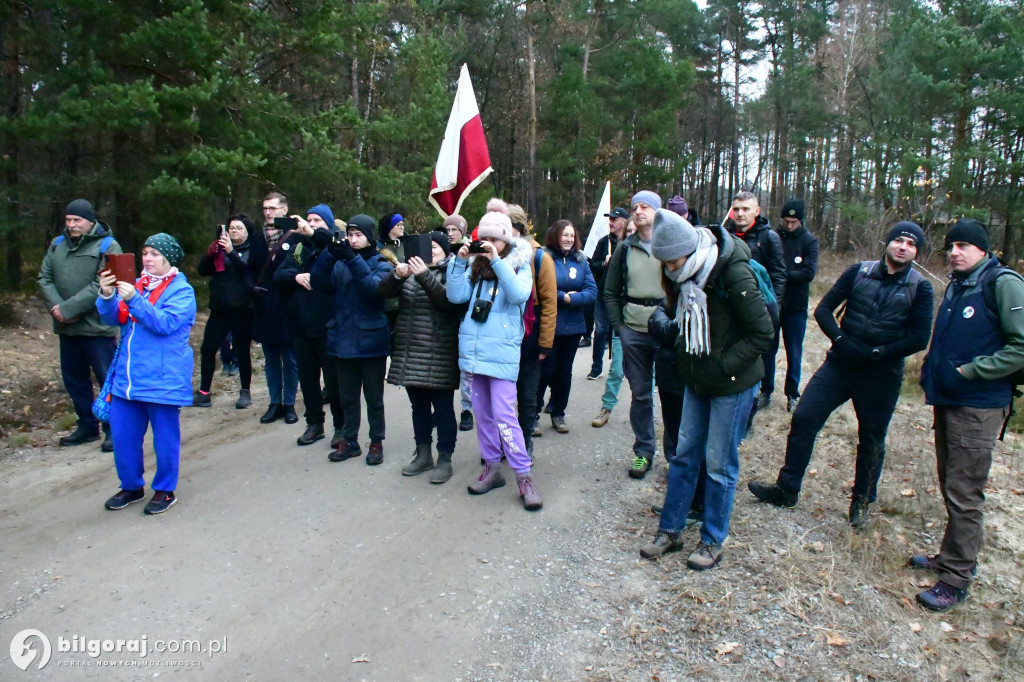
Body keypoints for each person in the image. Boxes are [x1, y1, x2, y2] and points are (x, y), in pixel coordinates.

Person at [748, 222, 935, 529]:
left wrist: (879, 353)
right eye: (898, 240)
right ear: (887, 243)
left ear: (916, 253)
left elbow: (919, 338)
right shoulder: (859, 272)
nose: (903, 247)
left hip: (881, 374)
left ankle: (861, 503)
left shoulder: (920, 287)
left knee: (872, 439)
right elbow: (823, 310)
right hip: (840, 364)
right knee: (805, 417)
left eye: (911, 245)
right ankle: (786, 489)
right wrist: (841, 340)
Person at [639, 210, 773, 568]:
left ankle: (712, 540)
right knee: (684, 456)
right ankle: (670, 530)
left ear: (689, 249)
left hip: (732, 383)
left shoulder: (732, 271)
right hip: (697, 380)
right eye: (663, 263)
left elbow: (762, 332)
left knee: (718, 464)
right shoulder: (681, 275)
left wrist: (723, 368)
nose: (668, 269)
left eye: (673, 261)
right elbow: (678, 319)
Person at [913, 220, 1024, 611]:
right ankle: (950, 557)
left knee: (965, 494)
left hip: (978, 405)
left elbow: (1021, 347)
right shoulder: (962, 283)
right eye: (951, 246)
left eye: (963, 245)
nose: (955, 252)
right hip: (952, 399)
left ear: (982, 249)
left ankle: (956, 579)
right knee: (952, 483)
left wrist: (968, 371)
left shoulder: (1003, 283)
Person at [447, 205, 543, 510]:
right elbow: (456, 296)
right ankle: (491, 468)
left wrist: (498, 261)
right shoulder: (475, 267)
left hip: (501, 356)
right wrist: (459, 263)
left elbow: (518, 295)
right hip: (474, 355)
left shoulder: (519, 264)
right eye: (483, 239)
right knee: (483, 415)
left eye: (494, 239)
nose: (487, 244)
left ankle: (524, 477)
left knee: (505, 416)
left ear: (505, 240)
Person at [96, 234, 196, 515]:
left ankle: (165, 490)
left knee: (165, 439)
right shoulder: (137, 284)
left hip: (162, 378)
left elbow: (164, 324)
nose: (147, 258)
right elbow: (113, 318)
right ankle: (131, 486)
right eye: (144, 253)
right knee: (124, 437)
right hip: (127, 379)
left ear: (169, 259)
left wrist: (135, 299)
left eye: (154, 254)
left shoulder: (181, 290)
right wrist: (106, 295)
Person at [38, 199, 122, 452]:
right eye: (68, 220)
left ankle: (114, 428)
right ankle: (87, 426)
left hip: (98, 327)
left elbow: (104, 284)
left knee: (107, 378)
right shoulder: (57, 245)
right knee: (74, 379)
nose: (72, 225)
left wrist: (68, 309)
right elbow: (45, 278)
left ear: (90, 221)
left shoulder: (108, 245)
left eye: (77, 220)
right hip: (68, 328)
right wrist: (58, 309)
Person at [379, 231, 461, 483]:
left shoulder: (453, 271)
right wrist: (397, 276)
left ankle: (445, 458)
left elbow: (447, 302)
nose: (430, 252)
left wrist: (423, 274)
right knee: (419, 408)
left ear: (446, 251)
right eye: (427, 247)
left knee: (444, 409)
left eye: (435, 247)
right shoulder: (411, 272)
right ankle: (423, 454)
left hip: (440, 352)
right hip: (410, 351)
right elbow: (383, 292)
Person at [311, 214, 393, 465]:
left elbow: (374, 290)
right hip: (342, 338)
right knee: (347, 396)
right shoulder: (339, 262)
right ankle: (350, 440)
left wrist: (352, 258)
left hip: (371, 341)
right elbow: (317, 282)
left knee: (374, 398)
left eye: (359, 235)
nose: (353, 240)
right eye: (350, 235)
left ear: (369, 237)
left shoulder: (382, 263)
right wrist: (329, 253)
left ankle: (376, 441)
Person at [604, 191, 665, 479]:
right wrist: (621, 329)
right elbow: (610, 291)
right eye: (635, 207)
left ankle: (677, 455)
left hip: (667, 332)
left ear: (657, 211)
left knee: (672, 394)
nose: (639, 211)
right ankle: (643, 452)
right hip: (634, 332)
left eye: (645, 207)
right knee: (640, 396)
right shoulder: (625, 248)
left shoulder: (671, 243)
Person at [273, 204, 345, 448]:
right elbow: (278, 276)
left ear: (328, 225)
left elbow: (334, 252)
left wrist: (313, 233)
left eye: (318, 221)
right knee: (308, 380)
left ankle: (341, 426)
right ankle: (315, 423)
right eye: (310, 219)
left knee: (334, 382)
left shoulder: (335, 245)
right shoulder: (297, 247)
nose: (312, 224)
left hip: (328, 325)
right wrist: (296, 277)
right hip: (301, 326)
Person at [723, 191, 787, 412]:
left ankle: (764, 392)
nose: (740, 214)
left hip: (760, 308)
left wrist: (773, 310)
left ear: (756, 211)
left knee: (764, 353)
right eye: (736, 209)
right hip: (731, 309)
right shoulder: (725, 235)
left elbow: (778, 275)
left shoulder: (769, 238)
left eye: (745, 209)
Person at [535, 220, 597, 433]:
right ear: (555, 236)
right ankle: (532, 413)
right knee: (545, 371)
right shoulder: (544, 259)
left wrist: (574, 299)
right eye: (565, 235)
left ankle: (558, 414)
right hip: (550, 324)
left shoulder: (581, 261)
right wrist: (562, 298)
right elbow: (540, 289)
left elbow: (591, 291)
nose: (569, 239)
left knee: (564, 372)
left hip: (573, 327)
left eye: (572, 235)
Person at [194, 214, 257, 410]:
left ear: (247, 231)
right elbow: (202, 270)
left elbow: (247, 271)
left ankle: (245, 392)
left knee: (242, 351)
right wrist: (211, 254)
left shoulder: (252, 251)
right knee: (208, 349)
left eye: (239, 228)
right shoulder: (218, 250)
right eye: (231, 228)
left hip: (243, 309)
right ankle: (204, 393)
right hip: (220, 309)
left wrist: (231, 252)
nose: (234, 231)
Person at [507, 203, 557, 454]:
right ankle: (504, 442)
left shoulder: (539, 257)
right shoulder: (494, 255)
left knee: (527, 395)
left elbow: (549, 303)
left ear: (516, 228)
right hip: (502, 333)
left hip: (530, 334)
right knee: (502, 396)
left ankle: (525, 442)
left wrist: (545, 342)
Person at [764, 199, 819, 412]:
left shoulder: (809, 241)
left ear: (801, 220)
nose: (789, 225)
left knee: (794, 351)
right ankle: (765, 390)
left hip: (796, 305)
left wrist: (781, 275)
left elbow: (808, 272)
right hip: (772, 303)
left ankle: (792, 393)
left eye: (794, 222)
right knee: (767, 348)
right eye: (786, 221)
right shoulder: (772, 237)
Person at [254, 191, 298, 425]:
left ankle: (289, 404)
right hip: (265, 306)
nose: (268, 212)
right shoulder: (257, 237)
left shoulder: (295, 236)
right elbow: (251, 269)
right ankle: (274, 403)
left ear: (284, 210)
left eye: (272, 208)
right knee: (271, 359)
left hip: (289, 305)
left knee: (290, 359)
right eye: (265, 208)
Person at [591, 218, 632, 429]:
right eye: (630, 231)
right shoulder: (619, 254)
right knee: (616, 369)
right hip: (623, 324)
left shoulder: (654, 255)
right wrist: (617, 321)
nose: (633, 234)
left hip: (646, 325)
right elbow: (610, 290)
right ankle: (607, 407)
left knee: (646, 376)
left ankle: (643, 413)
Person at [442, 214, 476, 433]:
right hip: (442, 317)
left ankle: (467, 408)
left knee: (466, 369)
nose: (451, 234)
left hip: (464, 316)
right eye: (447, 230)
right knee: (445, 366)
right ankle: (442, 407)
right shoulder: (437, 250)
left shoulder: (471, 255)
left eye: (455, 229)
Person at [588, 207, 628, 381]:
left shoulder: (629, 243)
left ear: (624, 222)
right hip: (603, 294)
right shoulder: (604, 242)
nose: (610, 222)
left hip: (623, 296)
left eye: (614, 219)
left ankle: (621, 367)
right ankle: (596, 368)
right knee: (601, 330)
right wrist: (603, 264)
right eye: (609, 219)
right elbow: (592, 265)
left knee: (621, 332)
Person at [378, 212, 406, 331]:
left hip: (403, 301)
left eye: (403, 224)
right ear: (390, 227)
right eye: (398, 224)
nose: (402, 227)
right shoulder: (379, 247)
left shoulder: (405, 244)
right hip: (387, 303)